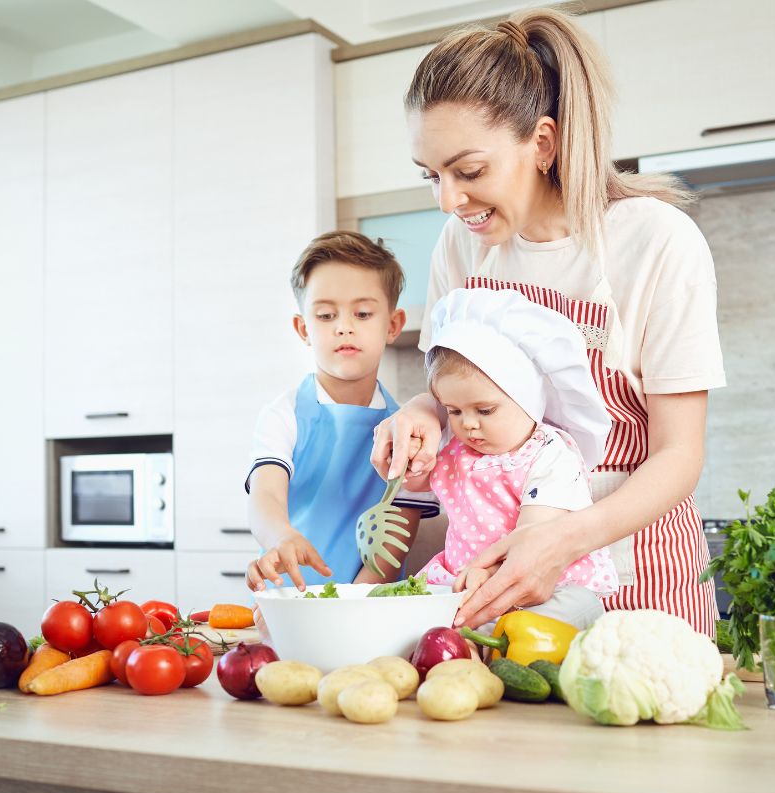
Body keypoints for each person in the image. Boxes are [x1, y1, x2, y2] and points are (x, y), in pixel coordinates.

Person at [372, 8, 725, 636]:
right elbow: (447, 383)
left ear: (543, 142)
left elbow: (679, 455)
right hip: (495, 579)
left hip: (634, 570)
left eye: (469, 171)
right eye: (432, 176)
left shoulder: (655, 242)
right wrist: (423, 413)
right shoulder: (461, 245)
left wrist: (563, 541)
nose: (449, 201)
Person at [245, 232, 438, 594]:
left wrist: (350, 604)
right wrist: (281, 535)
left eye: (362, 313)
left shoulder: (410, 433)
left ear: (393, 325)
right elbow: (265, 497)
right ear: (304, 329)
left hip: (367, 604)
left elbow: (395, 542)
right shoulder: (283, 414)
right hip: (288, 601)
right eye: (325, 314)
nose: (344, 326)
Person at [415, 288, 616, 629]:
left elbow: (534, 532)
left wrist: (490, 576)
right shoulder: (459, 453)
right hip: (468, 582)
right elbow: (420, 483)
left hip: (547, 585)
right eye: (454, 411)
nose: (468, 423)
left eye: (485, 409)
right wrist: (412, 463)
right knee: (411, 612)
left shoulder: (550, 454)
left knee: (546, 619)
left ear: (528, 399)